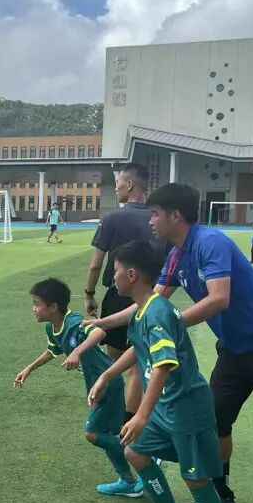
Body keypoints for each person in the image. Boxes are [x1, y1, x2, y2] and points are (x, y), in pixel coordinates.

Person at [89, 183, 253, 503]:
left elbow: (219, 299)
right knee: (215, 421)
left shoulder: (210, 242)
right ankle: (221, 495)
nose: (151, 221)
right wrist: (103, 323)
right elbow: (150, 303)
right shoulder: (176, 255)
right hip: (233, 351)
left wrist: (169, 324)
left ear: (176, 216)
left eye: (155, 214)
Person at [89, 240, 235, 503]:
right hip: (167, 408)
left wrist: (141, 415)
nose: (113, 277)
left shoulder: (156, 312)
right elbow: (139, 350)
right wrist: (108, 376)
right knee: (135, 452)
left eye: (115, 271)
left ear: (131, 274)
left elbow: (163, 365)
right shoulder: (144, 309)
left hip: (186, 409)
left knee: (197, 480)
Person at [14, 278, 142, 498]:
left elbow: (99, 333)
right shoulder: (52, 328)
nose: (33, 309)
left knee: (92, 434)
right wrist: (29, 369)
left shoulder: (73, 322)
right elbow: (52, 351)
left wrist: (77, 351)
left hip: (108, 383)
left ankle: (143, 456)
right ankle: (128, 481)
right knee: (108, 435)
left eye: (36, 304)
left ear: (53, 307)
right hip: (98, 386)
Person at [86, 163, 161, 425]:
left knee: (114, 361)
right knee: (139, 364)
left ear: (129, 184)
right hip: (150, 298)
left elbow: (96, 264)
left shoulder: (113, 218)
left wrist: (89, 294)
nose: (116, 188)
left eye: (118, 183)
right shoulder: (157, 218)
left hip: (118, 296)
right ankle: (130, 422)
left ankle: (109, 417)